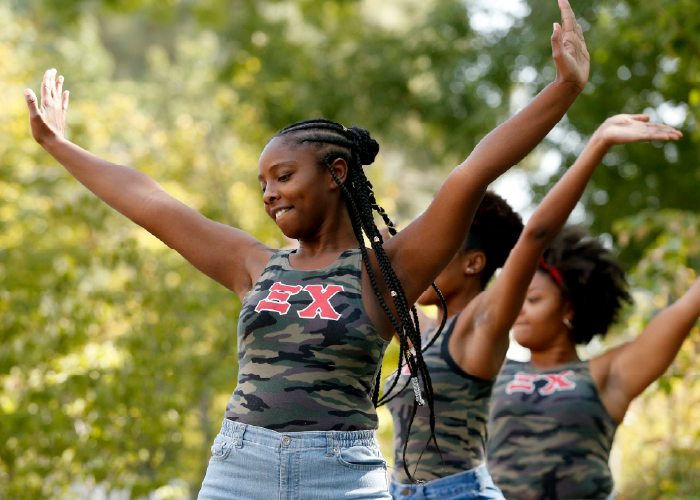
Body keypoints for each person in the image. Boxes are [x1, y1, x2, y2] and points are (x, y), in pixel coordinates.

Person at [23, 1, 588, 496]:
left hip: (341, 478)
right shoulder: (252, 264)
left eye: (284, 175)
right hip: (237, 471)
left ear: (336, 173)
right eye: (263, 183)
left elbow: (472, 173)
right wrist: (59, 146)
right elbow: (150, 200)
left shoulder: (387, 270)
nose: (270, 193)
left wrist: (563, 89)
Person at [384, 113, 681, 500]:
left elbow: (536, 234)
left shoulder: (482, 331)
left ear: (474, 263)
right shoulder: (420, 335)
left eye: (534, 299)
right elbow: (378, 267)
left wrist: (598, 144)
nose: (423, 260)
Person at [486, 125, 690, 500]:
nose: (518, 311)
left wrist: (599, 142)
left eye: (532, 300)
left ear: (569, 307)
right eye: (517, 300)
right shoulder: (492, 367)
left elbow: (686, 308)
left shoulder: (606, 373)